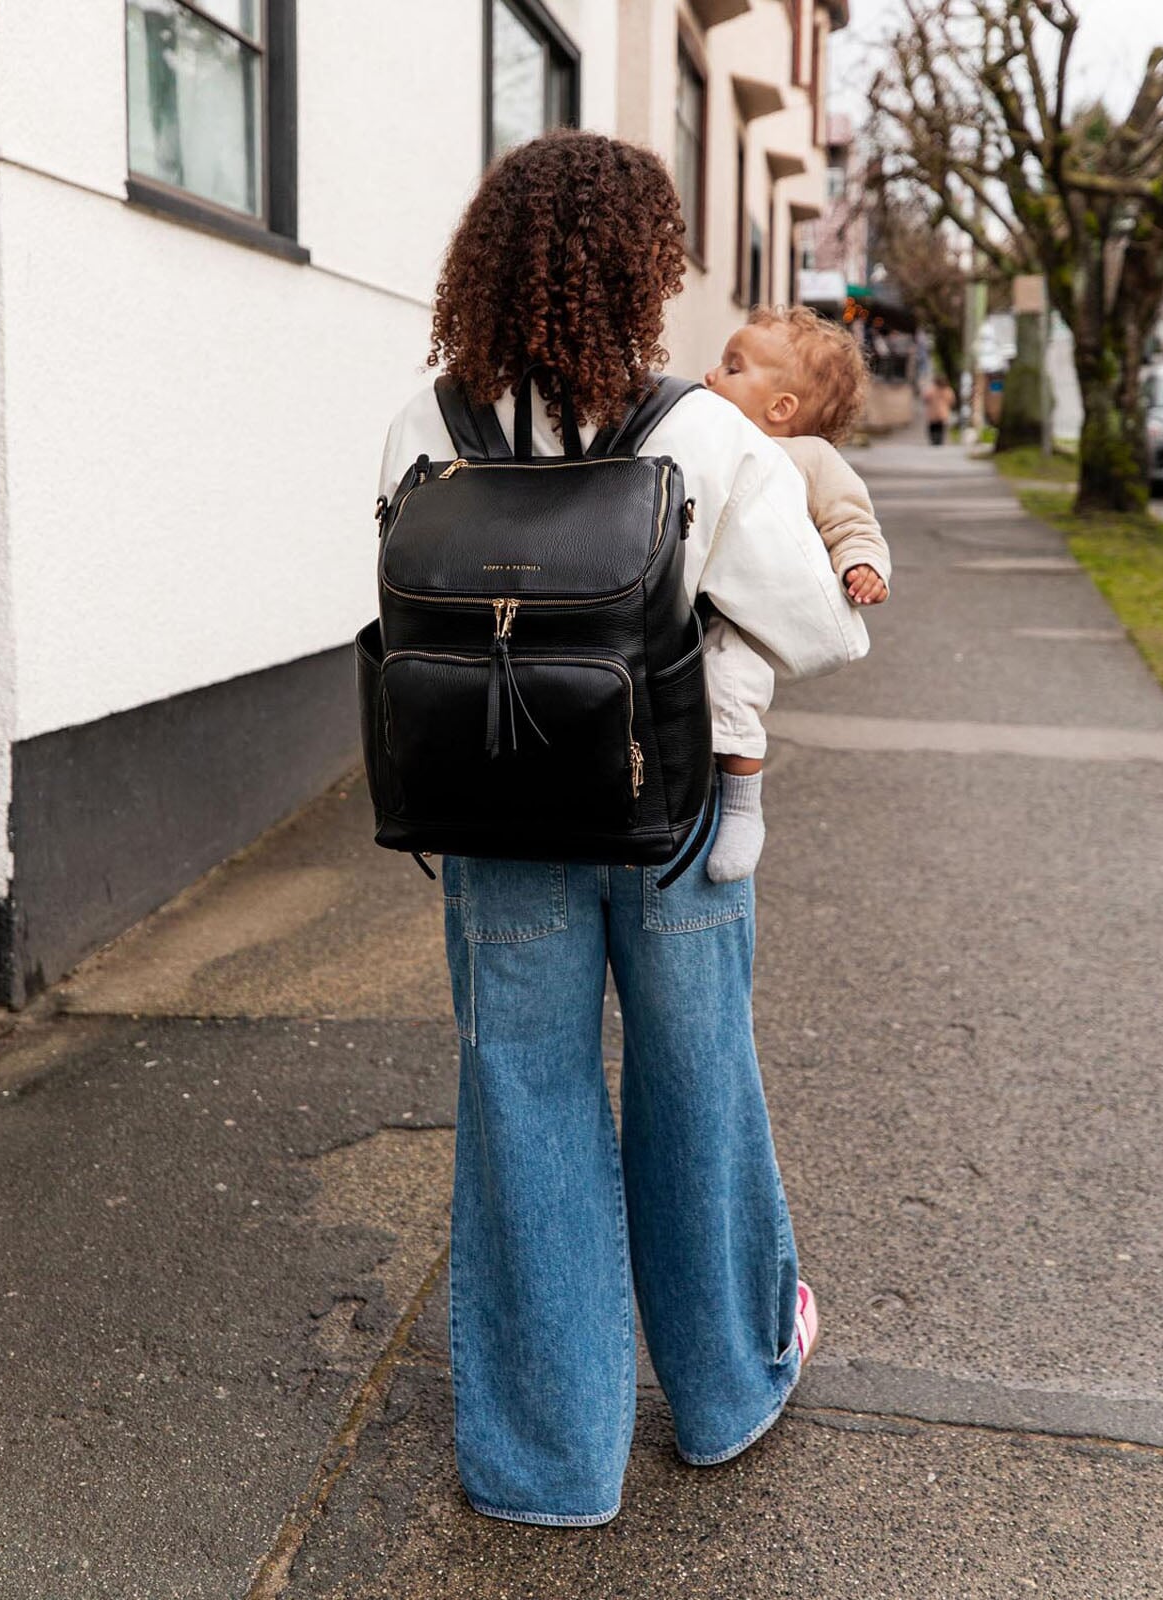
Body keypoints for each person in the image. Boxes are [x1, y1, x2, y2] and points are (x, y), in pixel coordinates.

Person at [376, 130, 863, 1528]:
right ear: (644, 273)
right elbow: (821, 638)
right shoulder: (702, 432)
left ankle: (550, 1464)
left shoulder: (430, 423)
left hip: (491, 812)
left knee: (522, 1106)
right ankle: (724, 1396)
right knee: (697, 1084)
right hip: (672, 811)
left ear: (492, 261)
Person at [699, 305, 891, 881]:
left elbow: (852, 522)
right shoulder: (705, 439)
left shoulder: (808, 458)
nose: (712, 375)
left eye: (733, 369)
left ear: (781, 408)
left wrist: (862, 564)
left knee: (732, 680)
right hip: (691, 591)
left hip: (747, 614)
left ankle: (740, 804)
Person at [923, 372, 957, 445]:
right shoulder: (948, 390)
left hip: (933, 413)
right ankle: (939, 440)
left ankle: (934, 440)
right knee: (940, 427)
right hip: (943, 412)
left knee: (933, 427)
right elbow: (952, 401)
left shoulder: (932, 389)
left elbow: (925, 398)